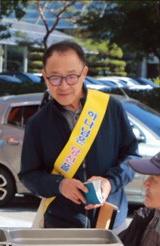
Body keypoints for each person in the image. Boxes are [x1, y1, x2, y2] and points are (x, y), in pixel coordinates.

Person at [19, 40, 139, 229]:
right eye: (55, 78)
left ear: (84, 73)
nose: (63, 86)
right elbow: (28, 175)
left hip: (111, 220)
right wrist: (59, 185)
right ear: (44, 76)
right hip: (61, 225)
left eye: (71, 77)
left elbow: (131, 156)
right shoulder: (37, 123)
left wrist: (110, 182)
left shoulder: (110, 108)